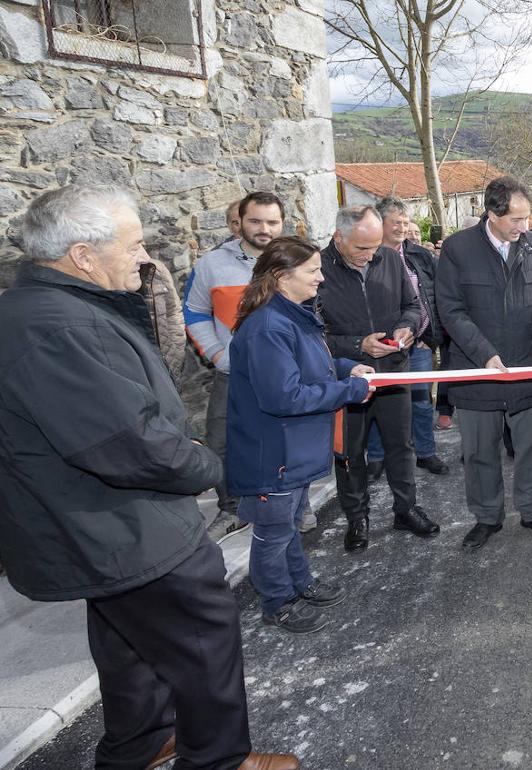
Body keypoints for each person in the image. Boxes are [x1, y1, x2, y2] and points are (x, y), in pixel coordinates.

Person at [0, 184, 298, 769]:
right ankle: (217, 759)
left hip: (92, 524)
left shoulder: (36, 309)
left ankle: (139, 742)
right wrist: (213, 466)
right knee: (202, 633)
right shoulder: (60, 328)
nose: (145, 258)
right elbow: (126, 444)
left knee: (126, 640)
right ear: (83, 255)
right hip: (123, 524)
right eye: (134, 245)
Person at [227, 237, 373, 633]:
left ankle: (299, 582)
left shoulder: (293, 315)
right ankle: (277, 601)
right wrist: (350, 391)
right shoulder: (268, 327)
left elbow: (311, 362)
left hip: (291, 449)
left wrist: (345, 368)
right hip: (272, 451)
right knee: (273, 533)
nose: (321, 278)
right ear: (281, 276)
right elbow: (284, 396)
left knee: (289, 523)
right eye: (312, 271)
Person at [436, 176, 532, 550]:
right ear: (492, 213)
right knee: (479, 452)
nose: (524, 228)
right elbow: (451, 309)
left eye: (527, 219)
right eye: (516, 220)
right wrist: (484, 354)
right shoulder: (458, 249)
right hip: (477, 372)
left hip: (528, 371)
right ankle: (487, 516)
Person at [319, 204, 439, 552]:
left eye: (374, 248)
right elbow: (312, 335)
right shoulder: (317, 270)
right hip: (347, 381)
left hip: (393, 373)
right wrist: (358, 346)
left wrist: (406, 328)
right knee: (350, 453)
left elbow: (414, 306)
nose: (370, 256)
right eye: (361, 249)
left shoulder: (389, 259)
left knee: (401, 445)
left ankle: (406, 509)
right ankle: (357, 518)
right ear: (337, 238)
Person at [184, 191, 287, 535]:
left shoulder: (295, 261)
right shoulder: (212, 265)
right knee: (222, 441)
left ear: (282, 224)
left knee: (285, 438)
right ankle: (231, 508)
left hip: (284, 374)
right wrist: (217, 354)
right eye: (256, 220)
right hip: (234, 373)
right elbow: (195, 312)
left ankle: (289, 503)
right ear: (239, 222)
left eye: (272, 222)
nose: (264, 228)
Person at [365, 196, 449, 478]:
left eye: (404, 222)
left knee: (422, 402)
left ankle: (426, 453)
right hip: (382, 349)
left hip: (419, 345)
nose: (401, 228)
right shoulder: (367, 257)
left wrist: (431, 335)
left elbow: (438, 295)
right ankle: (376, 457)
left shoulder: (419, 255)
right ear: (380, 224)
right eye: (395, 222)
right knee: (379, 403)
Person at [140, 257, 186, 379]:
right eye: (135, 246)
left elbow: (173, 311)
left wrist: (176, 350)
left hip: (167, 363)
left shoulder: (156, 269)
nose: (142, 253)